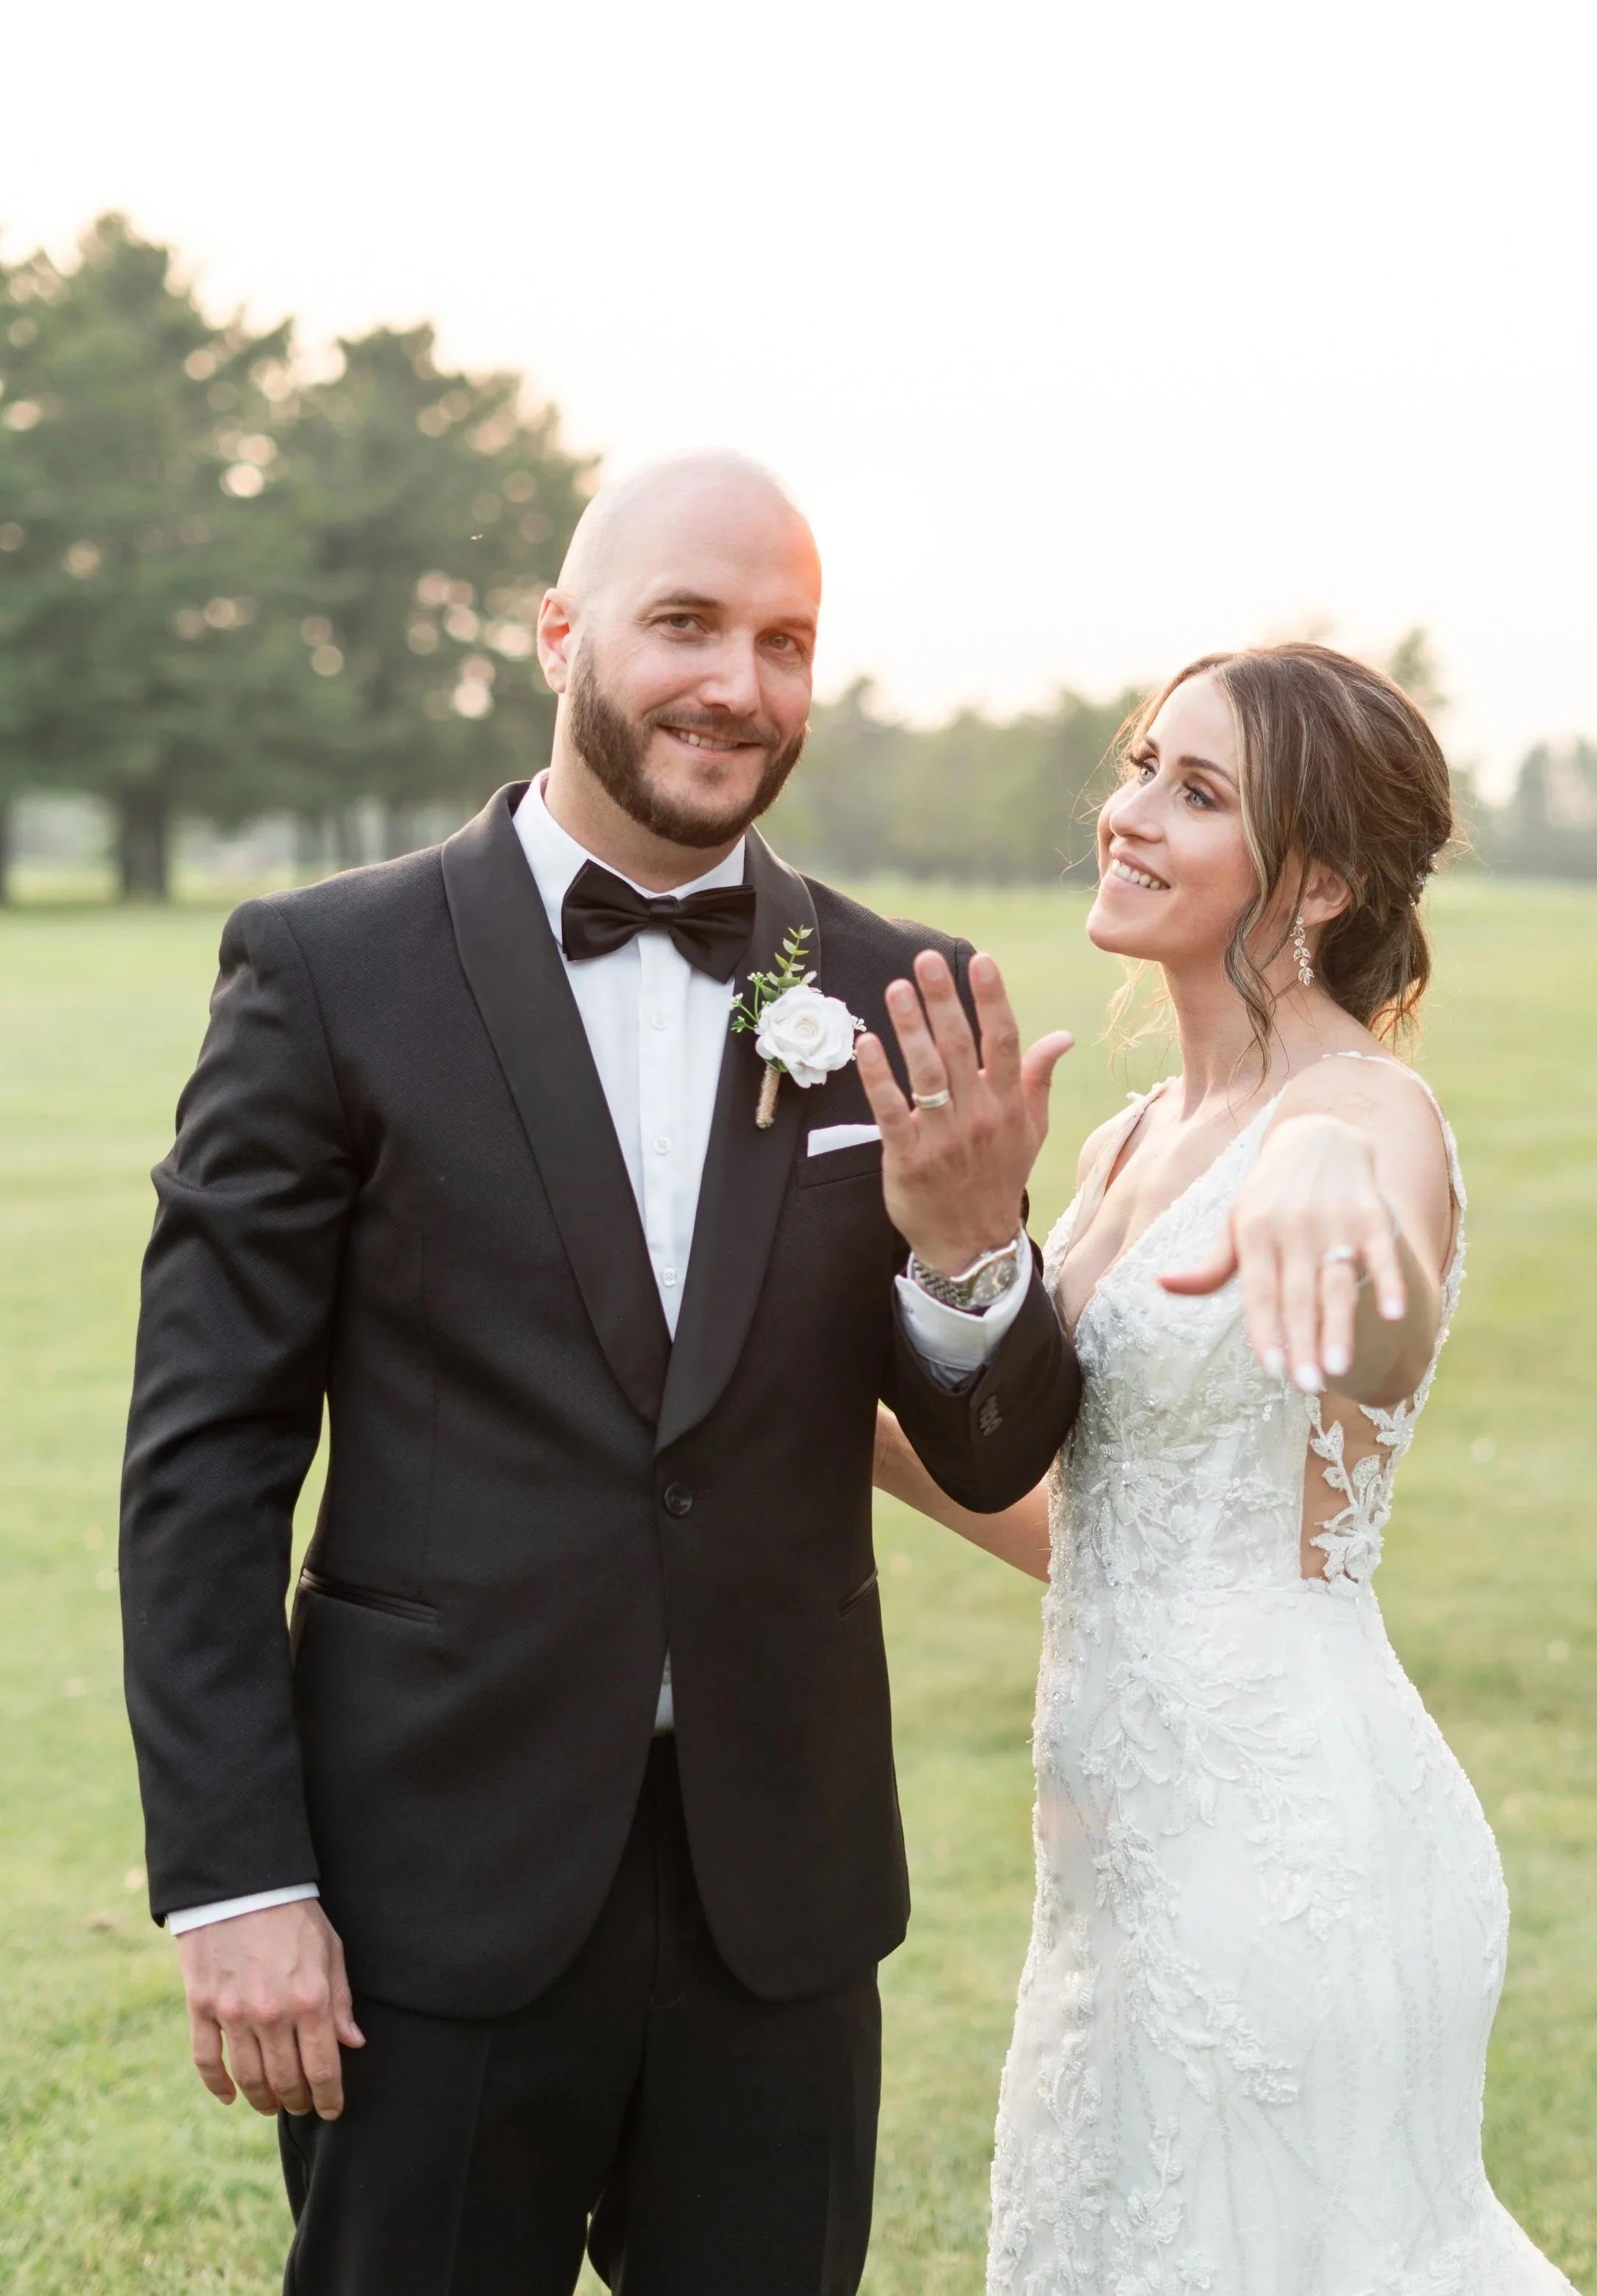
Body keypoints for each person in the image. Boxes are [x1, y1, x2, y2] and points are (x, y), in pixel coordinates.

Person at [119, 453, 1084, 2295]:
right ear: (559, 633)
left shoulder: (898, 991)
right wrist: (238, 1880)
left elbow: (987, 1447)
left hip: (777, 1905)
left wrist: (970, 1255)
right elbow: (207, 1454)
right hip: (428, 1883)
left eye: (784, 640)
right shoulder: (328, 972)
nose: (739, 680)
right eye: (687, 624)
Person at [874, 644, 1582, 2293]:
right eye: (1138, 767)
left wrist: (1332, 1177)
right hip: (1116, 1869)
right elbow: (1104, 1534)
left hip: (1287, 1849)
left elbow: (1381, 1308)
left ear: (1319, 879)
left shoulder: (1362, 1114)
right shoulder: (1122, 1141)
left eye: (1196, 793)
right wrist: (844, 1429)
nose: (1124, 814)